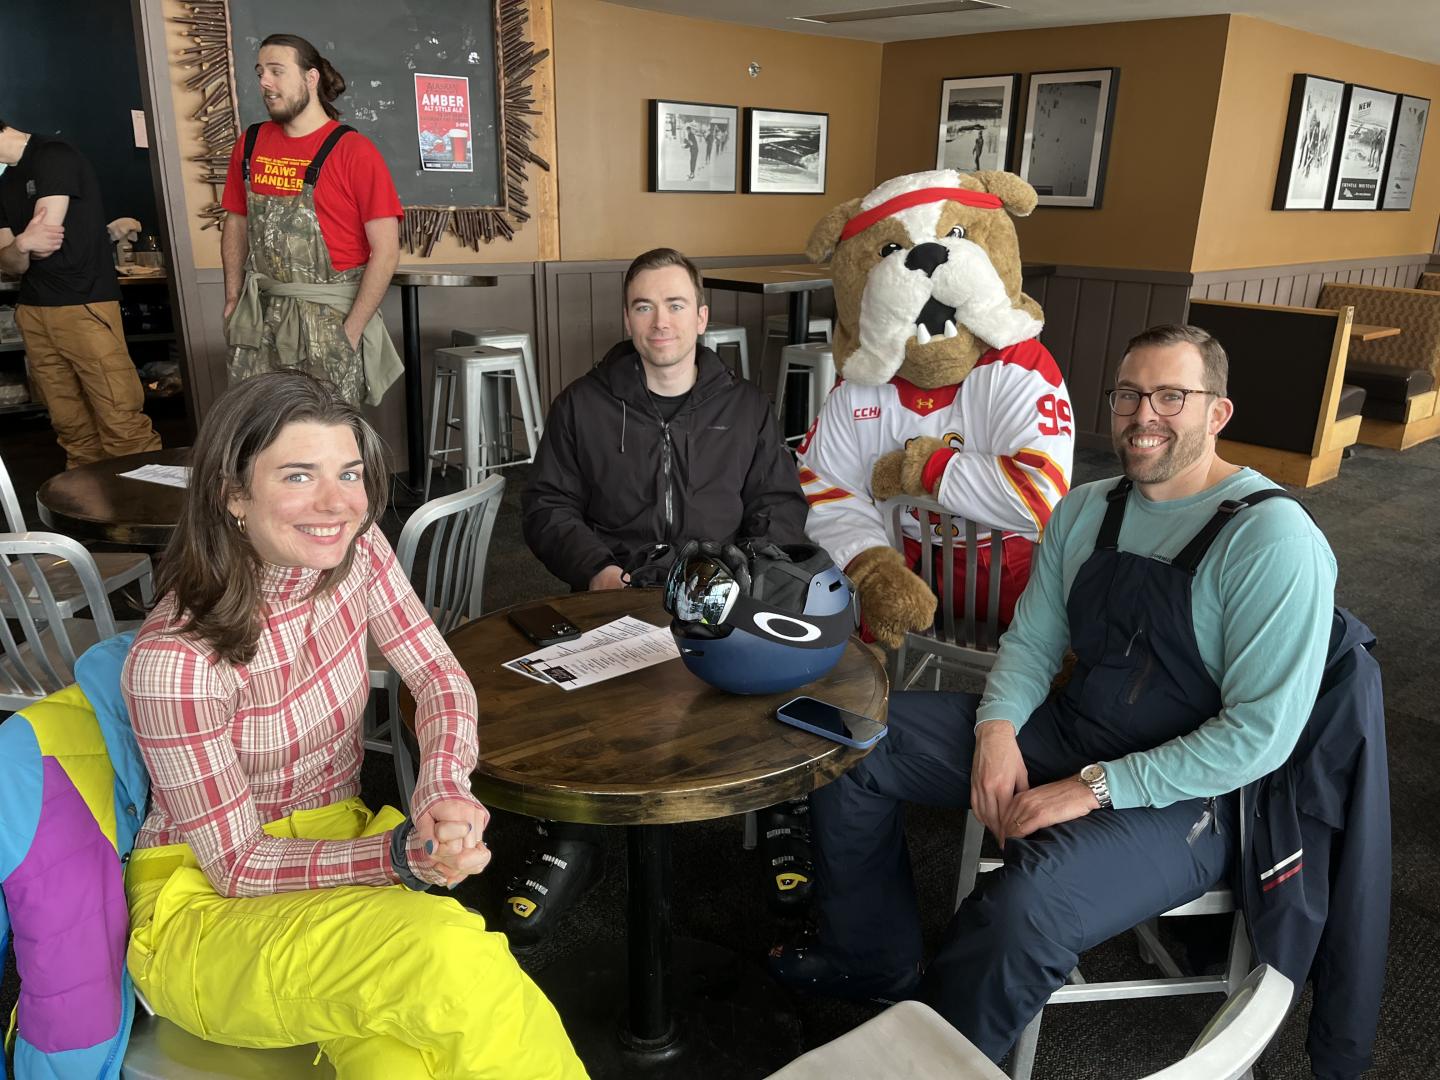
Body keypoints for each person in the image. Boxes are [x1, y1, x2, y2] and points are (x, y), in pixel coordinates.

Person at [769, 324, 1337, 1062]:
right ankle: (871, 957)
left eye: (1172, 396)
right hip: (1071, 728)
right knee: (854, 740)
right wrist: (997, 729)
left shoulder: (1273, 539)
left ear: (1217, 412)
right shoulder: (1087, 508)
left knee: (1025, 906)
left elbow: (1259, 737)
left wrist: (1092, 788)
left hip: (1191, 798)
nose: (1144, 415)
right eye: (1129, 395)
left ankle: (934, 1062)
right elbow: (1033, 643)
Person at [121, 371, 586, 1077]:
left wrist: (443, 786)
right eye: (299, 475)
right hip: (209, 910)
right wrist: (400, 857)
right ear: (232, 494)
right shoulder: (175, 662)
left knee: (408, 1058)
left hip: (333, 852)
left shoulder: (358, 554)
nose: (337, 503)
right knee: (446, 957)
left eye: (348, 473)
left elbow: (439, 676)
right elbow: (238, 865)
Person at [514, 247, 808, 945]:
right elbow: (547, 505)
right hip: (616, 593)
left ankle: (783, 816)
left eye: (675, 305)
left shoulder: (746, 406)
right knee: (574, 715)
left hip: (721, 593)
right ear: (627, 318)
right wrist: (597, 571)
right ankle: (572, 835)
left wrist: (739, 576)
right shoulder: (583, 404)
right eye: (644, 306)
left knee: (779, 678)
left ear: (701, 317)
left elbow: (779, 506)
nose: (660, 322)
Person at [221, 34, 404, 407]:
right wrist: (232, 297)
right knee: (258, 424)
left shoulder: (354, 151)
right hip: (260, 316)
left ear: (311, 78)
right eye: (260, 72)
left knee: (324, 429)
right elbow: (236, 222)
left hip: (329, 321)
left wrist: (351, 330)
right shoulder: (250, 143)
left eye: (276, 71)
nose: (264, 82)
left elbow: (386, 251)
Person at [0, 118, 161, 467]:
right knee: (71, 427)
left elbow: (44, 244)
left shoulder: (52, 155)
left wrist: (23, 245)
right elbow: (12, 263)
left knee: (121, 420)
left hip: (82, 304)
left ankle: (145, 499)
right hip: (33, 310)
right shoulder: (6, 182)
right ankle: (90, 500)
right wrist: (22, 244)